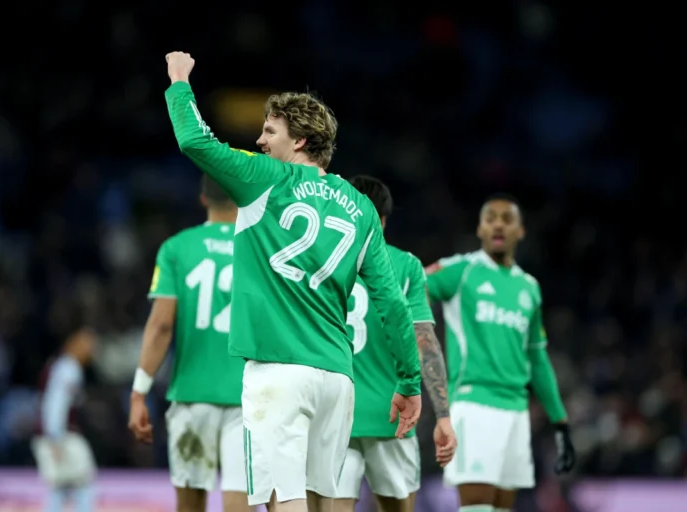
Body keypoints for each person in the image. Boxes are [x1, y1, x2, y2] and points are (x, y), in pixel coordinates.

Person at [156, 51, 422, 512]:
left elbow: (194, 141)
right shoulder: (359, 207)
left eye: (270, 131)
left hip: (277, 372)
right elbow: (391, 304)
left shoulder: (264, 178)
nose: (259, 141)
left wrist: (179, 79)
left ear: (299, 141)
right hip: (338, 379)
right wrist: (410, 380)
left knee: (284, 502)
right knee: (322, 503)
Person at [424, 193, 576, 512]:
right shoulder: (461, 271)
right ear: (479, 229)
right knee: (477, 506)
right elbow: (410, 286)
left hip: (517, 412)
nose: (497, 224)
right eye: (489, 217)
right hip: (474, 405)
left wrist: (560, 422)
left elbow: (537, 359)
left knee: (502, 507)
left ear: (520, 231)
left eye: (506, 219)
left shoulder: (528, 288)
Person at [334, 175, 456, 512]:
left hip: (333, 414)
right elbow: (425, 342)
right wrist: (443, 415)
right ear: (384, 219)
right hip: (393, 417)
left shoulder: (320, 262)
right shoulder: (405, 266)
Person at [128, 175, 250, 512]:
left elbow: (161, 325)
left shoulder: (177, 248)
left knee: (190, 504)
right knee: (240, 501)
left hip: (192, 397)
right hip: (248, 398)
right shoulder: (259, 248)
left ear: (202, 199)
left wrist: (139, 391)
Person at [32, 324, 98, 512]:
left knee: (60, 487)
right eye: (88, 345)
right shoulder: (69, 368)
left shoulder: (59, 365)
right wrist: (55, 438)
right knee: (84, 482)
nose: (91, 351)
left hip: (50, 433)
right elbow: (56, 403)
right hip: (60, 435)